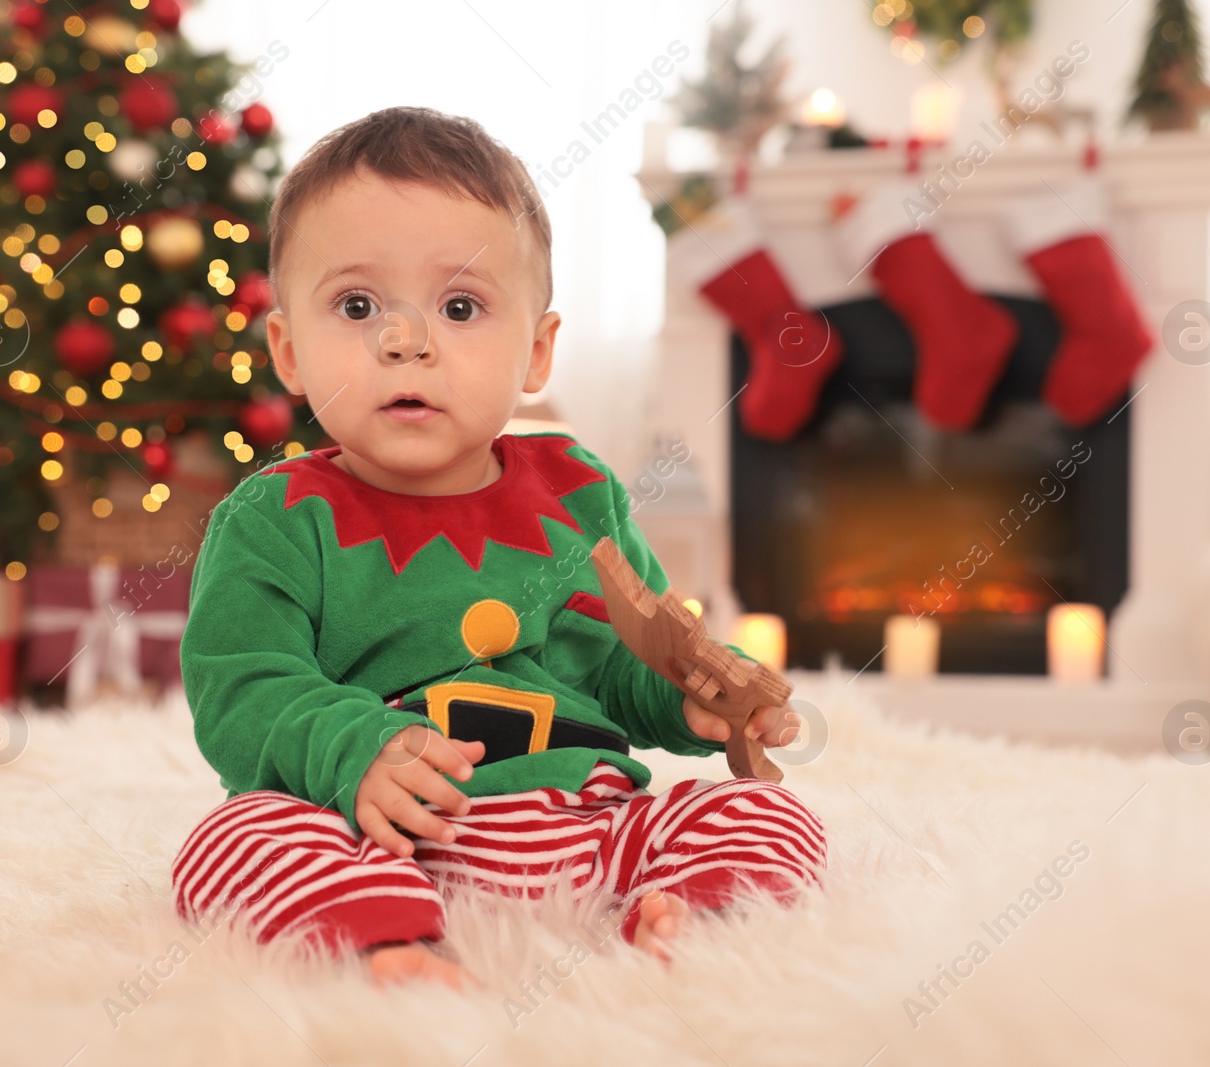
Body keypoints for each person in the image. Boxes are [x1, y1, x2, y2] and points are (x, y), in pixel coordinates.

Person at [172, 106, 827, 990]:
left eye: (462, 305)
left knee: (764, 810)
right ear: (288, 351)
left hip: (588, 821)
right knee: (234, 837)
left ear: (537, 350)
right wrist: (359, 748)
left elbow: (617, 668)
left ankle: (687, 908)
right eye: (358, 306)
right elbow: (242, 691)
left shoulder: (579, 492)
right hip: (391, 833)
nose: (407, 341)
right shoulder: (276, 517)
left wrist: (692, 699)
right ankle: (386, 940)